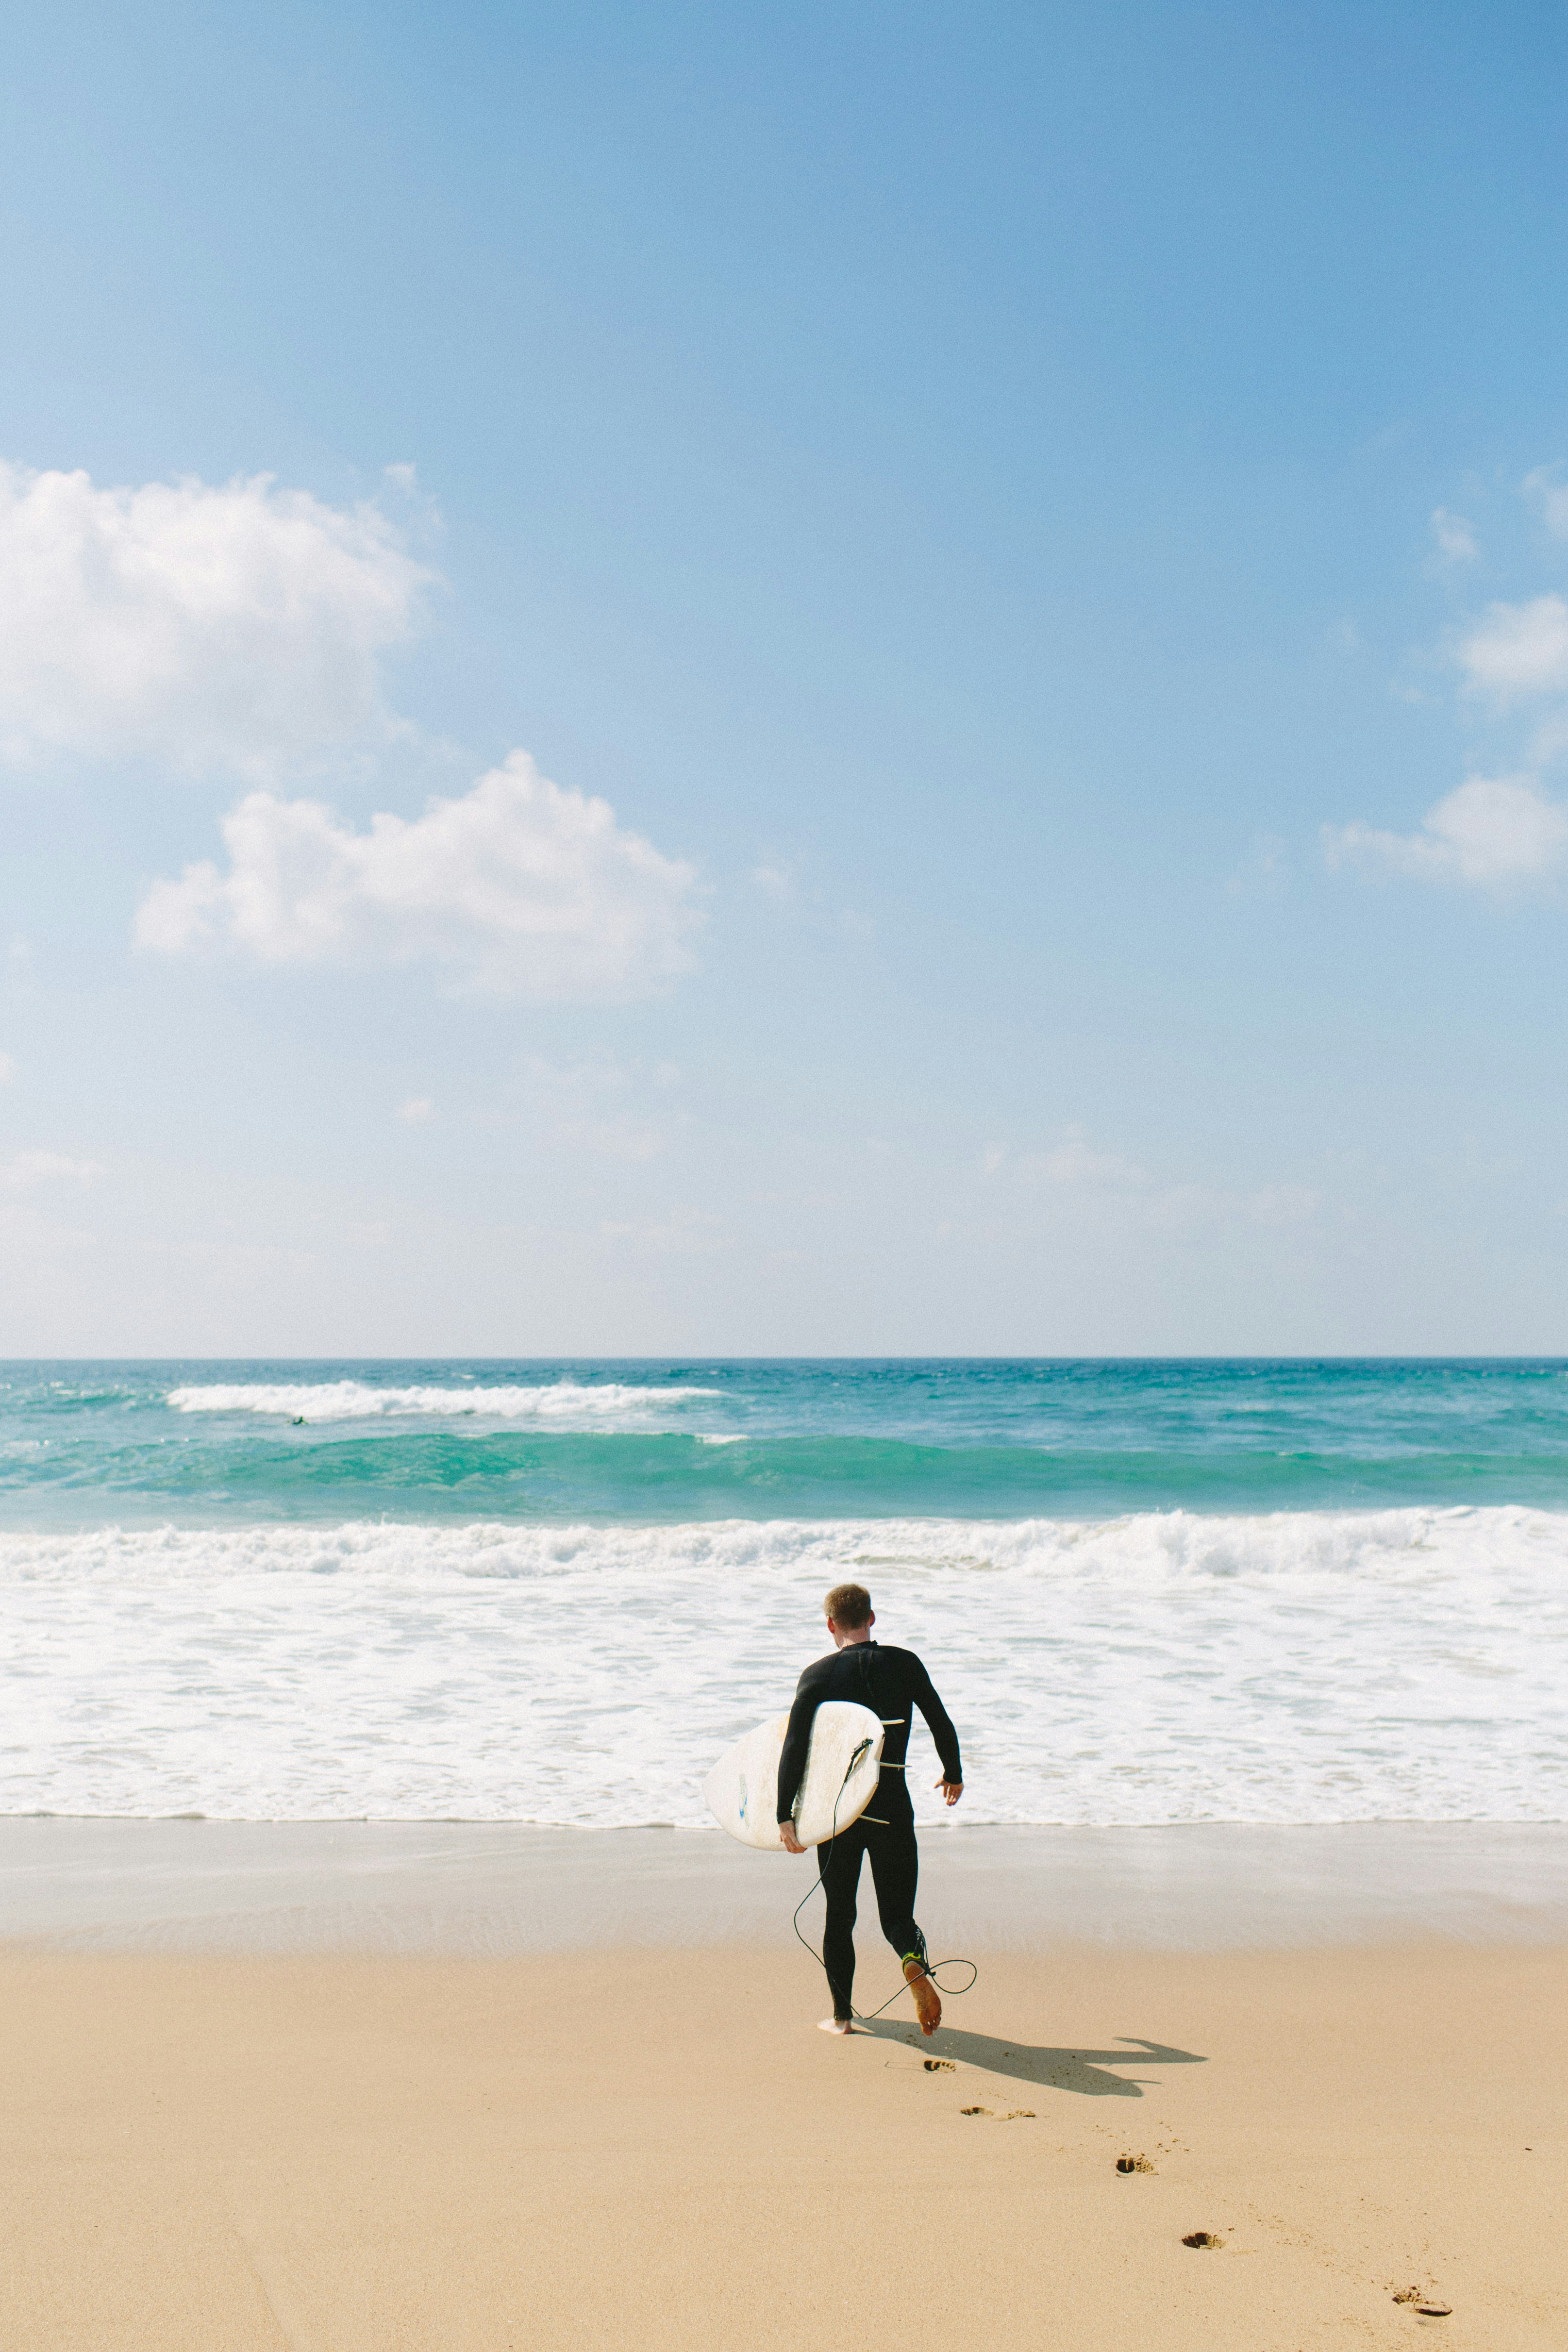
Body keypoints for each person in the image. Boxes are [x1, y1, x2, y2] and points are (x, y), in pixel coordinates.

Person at [777, 1582, 962, 2036]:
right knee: (897, 1916)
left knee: (839, 1914)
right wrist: (953, 1772)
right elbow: (940, 1718)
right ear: (872, 1618)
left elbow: (794, 1747)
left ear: (830, 1625)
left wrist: (785, 1813)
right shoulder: (904, 1663)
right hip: (891, 1804)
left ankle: (842, 2017)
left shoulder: (817, 1676)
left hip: (837, 1813)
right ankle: (912, 1959)